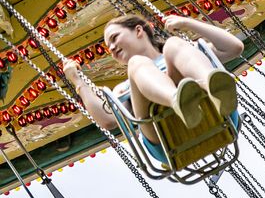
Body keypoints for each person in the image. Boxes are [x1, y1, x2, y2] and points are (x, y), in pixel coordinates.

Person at [61, 14, 245, 168]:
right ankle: (177, 100)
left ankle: (212, 86)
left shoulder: (182, 51)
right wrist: (78, 82)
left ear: (139, 30)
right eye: (108, 46)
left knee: (173, 44)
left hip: (214, 117)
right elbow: (108, 121)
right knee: (137, 63)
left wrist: (187, 23)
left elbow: (234, 47)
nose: (111, 48)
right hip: (166, 139)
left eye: (114, 38)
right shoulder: (126, 85)